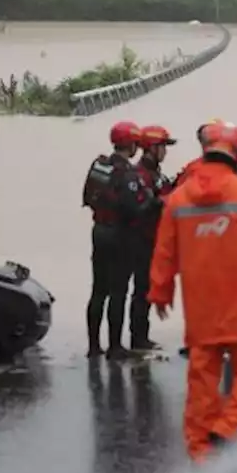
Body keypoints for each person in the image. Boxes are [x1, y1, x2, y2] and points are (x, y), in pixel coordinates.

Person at [148, 122, 237, 464]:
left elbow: (164, 251)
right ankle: (229, 424)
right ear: (236, 157)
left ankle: (200, 448)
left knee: (202, 375)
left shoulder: (178, 198)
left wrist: (160, 293)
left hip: (201, 303)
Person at [82, 121, 157, 360]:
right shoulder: (128, 173)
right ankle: (115, 346)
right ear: (132, 145)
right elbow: (134, 208)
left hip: (99, 231)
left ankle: (93, 346)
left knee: (98, 291)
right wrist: (154, 202)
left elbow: (87, 196)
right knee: (118, 291)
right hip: (119, 235)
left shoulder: (99, 165)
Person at [128, 124, 177, 352]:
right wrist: (162, 201)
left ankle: (142, 336)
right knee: (141, 290)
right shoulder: (140, 175)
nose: (165, 152)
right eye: (163, 147)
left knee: (145, 288)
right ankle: (138, 339)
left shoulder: (157, 174)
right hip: (140, 241)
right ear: (151, 148)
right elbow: (145, 206)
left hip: (153, 239)